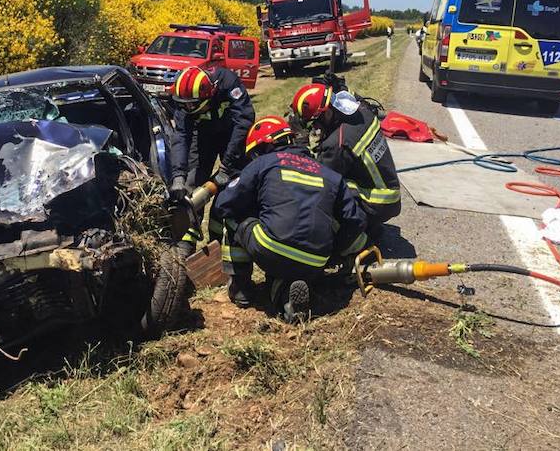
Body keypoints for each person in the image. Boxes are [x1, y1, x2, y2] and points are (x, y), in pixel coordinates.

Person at [211, 116, 368, 322]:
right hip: (317, 259)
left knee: (236, 216)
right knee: (288, 269)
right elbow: (355, 221)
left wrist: (254, 208)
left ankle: (241, 288)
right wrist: (333, 251)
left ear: (263, 147)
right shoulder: (328, 173)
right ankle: (287, 301)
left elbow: (225, 204)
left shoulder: (263, 163)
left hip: (272, 248)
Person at [291, 82, 401, 236]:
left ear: (327, 114)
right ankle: (371, 224)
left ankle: (356, 234)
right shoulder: (363, 111)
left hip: (379, 203)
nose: (315, 128)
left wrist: (300, 141)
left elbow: (316, 179)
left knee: (329, 191)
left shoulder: (338, 143)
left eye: (315, 122)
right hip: (390, 193)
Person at [168, 65, 255, 252]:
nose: (188, 108)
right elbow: (181, 136)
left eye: (192, 105)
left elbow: (244, 121)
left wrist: (227, 165)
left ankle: (232, 236)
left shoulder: (229, 82)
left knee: (235, 183)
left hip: (232, 134)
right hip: (202, 135)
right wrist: (178, 176)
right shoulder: (184, 97)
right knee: (191, 183)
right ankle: (185, 243)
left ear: (210, 93)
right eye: (185, 105)